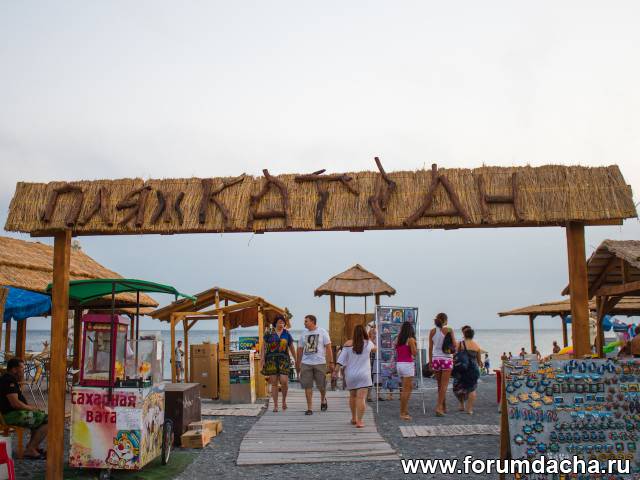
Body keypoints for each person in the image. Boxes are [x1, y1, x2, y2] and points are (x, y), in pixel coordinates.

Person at [0, 358, 48, 459]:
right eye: (22, 368)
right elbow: (15, 403)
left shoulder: (7, 379)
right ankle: (31, 449)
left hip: (14, 414)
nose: (23, 370)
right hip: (11, 415)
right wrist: (30, 408)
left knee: (39, 417)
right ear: (14, 369)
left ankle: (32, 447)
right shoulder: (8, 381)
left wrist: (31, 409)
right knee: (47, 420)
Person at [337, 324, 376, 428]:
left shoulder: (348, 344)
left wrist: (335, 371)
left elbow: (340, 360)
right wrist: (371, 337)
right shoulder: (369, 343)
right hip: (364, 375)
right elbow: (375, 349)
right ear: (364, 332)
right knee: (361, 398)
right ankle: (360, 421)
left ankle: (354, 418)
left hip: (351, 375)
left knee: (353, 396)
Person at [296, 314, 333, 415]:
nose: (304, 323)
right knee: (307, 386)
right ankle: (310, 408)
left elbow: (328, 347)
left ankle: (323, 399)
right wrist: (298, 362)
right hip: (306, 363)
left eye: (306, 321)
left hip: (320, 362)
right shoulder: (303, 333)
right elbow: (299, 349)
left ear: (312, 321)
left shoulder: (322, 332)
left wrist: (331, 362)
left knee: (321, 385)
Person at [261, 314, 296, 412]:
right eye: (280, 322)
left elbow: (291, 347)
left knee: (284, 381)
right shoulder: (269, 333)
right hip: (271, 360)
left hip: (284, 359)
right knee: (274, 383)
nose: (282, 324)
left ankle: (284, 401)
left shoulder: (286, 333)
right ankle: (275, 405)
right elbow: (263, 347)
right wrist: (262, 359)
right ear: (275, 323)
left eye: (283, 322)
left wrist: (296, 358)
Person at [429, 313, 456, 417]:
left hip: (436, 359)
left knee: (440, 385)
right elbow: (454, 345)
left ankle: (443, 406)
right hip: (446, 359)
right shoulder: (449, 330)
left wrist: (430, 362)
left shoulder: (432, 331)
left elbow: (430, 348)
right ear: (445, 320)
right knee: (444, 386)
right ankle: (439, 407)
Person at [452, 328, 482, 415]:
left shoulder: (460, 344)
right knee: (472, 389)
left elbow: (455, 356)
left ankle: (462, 405)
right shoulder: (477, 346)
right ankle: (469, 409)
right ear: (472, 335)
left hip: (462, 369)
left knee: (457, 387)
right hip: (473, 370)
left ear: (464, 335)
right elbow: (479, 361)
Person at [396, 321, 417, 420]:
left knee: (409, 388)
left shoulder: (399, 339)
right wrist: (415, 345)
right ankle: (402, 412)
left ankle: (404, 409)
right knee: (406, 390)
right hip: (407, 364)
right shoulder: (411, 339)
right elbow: (414, 353)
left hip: (399, 364)